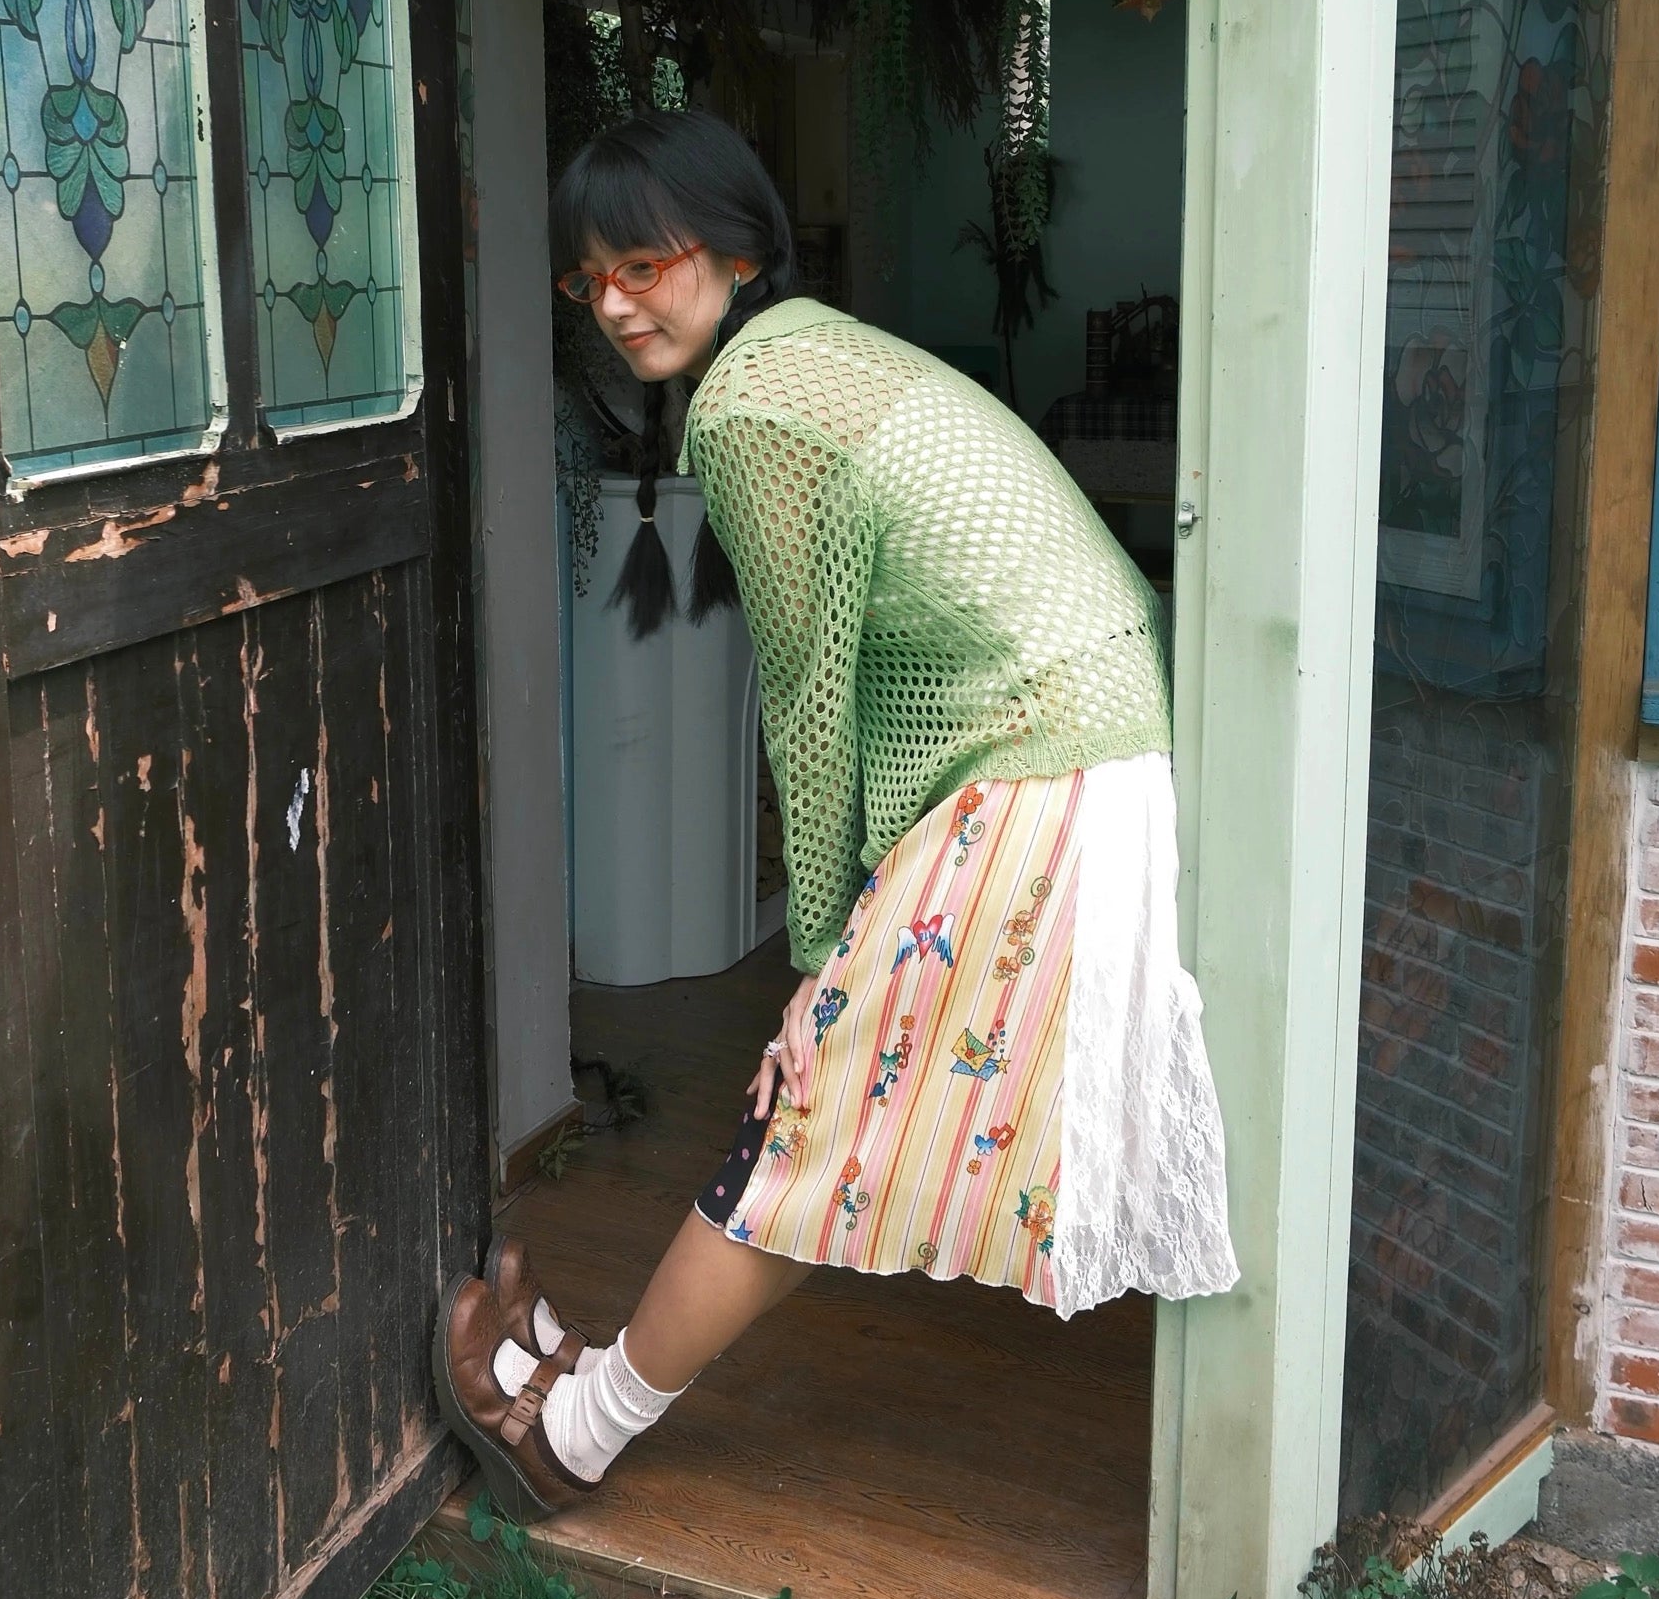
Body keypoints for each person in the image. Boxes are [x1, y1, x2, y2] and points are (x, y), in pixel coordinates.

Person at [434, 108, 1237, 1516]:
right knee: (835, 1118)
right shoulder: (812, 356)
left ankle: (578, 1432)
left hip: (1045, 757)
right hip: (1083, 735)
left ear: (736, 249)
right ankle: (588, 1371)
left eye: (646, 263)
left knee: (813, 1110)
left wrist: (813, 964)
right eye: (590, 279)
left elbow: (805, 704)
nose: (616, 302)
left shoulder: (752, 408)